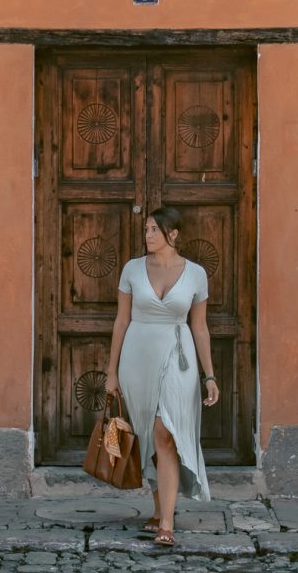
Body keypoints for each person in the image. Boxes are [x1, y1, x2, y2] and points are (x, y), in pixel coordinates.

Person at [105, 206, 219, 547]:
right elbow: (121, 321)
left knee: (165, 431)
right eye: (147, 229)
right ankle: (158, 510)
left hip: (177, 357)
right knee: (147, 435)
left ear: (174, 235)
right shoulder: (132, 269)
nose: (148, 235)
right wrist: (111, 372)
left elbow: (199, 327)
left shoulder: (196, 274)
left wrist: (209, 375)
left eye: (155, 230)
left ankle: (167, 522)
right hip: (136, 358)